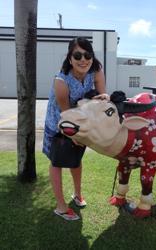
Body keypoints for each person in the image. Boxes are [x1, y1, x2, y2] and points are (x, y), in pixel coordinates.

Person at [42, 37, 109, 221]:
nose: (83, 60)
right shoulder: (61, 81)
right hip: (59, 122)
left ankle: (77, 194)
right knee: (57, 162)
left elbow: (102, 98)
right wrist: (73, 135)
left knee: (76, 159)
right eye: (77, 55)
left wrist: (102, 99)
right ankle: (61, 206)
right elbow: (66, 116)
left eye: (87, 55)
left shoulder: (96, 70)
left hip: (82, 121)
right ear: (70, 58)